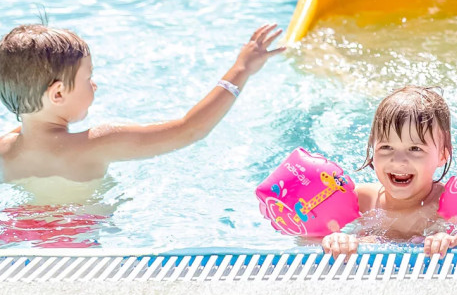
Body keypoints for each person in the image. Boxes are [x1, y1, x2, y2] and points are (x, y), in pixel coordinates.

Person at [0, 23, 284, 196]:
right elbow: (190, 129)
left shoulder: (5, 149)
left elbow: (30, 123)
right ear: (58, 93)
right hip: (81, 242)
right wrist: (241, 69)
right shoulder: (97, 143)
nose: (94, 85)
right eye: (88, 78)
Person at [322, 86, 457, 258]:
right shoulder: (358, 201)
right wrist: (335, 240)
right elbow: (306, 238)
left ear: (442, 155)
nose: (398, 160)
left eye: (415, 148)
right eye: (386, 147)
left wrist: (449, 239)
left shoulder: (451, 206)